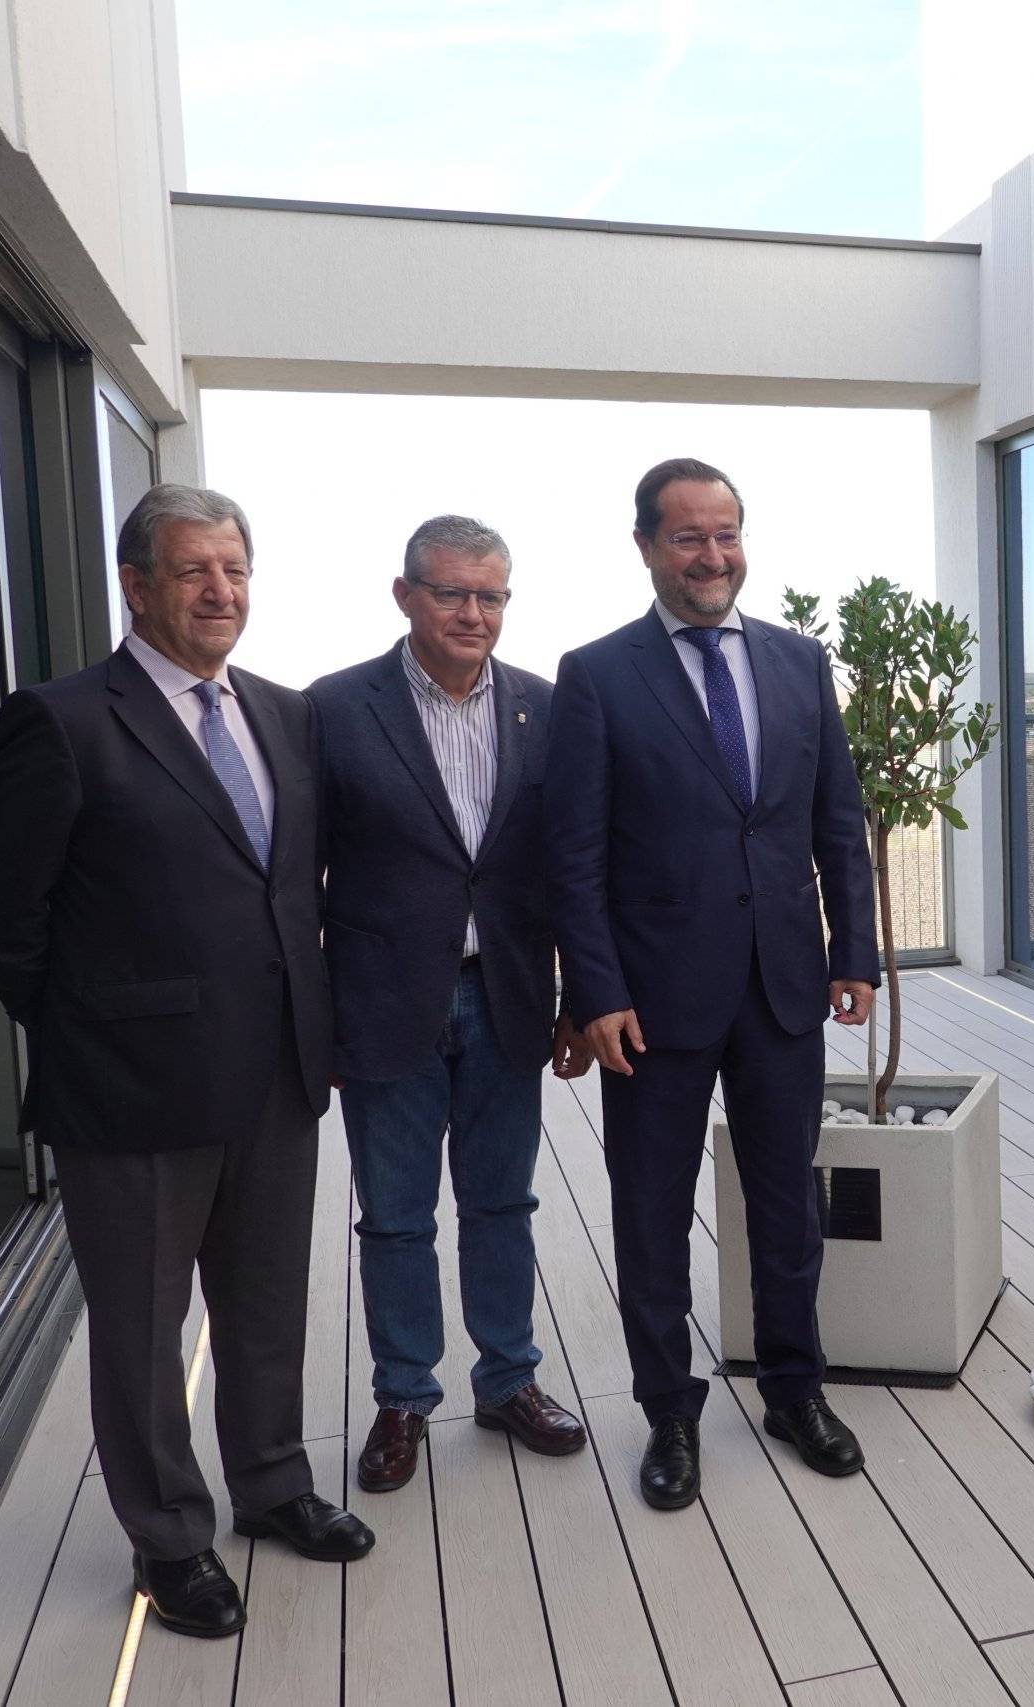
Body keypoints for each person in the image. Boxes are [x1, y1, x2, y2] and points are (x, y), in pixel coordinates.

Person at [0, 484, 372, 1641]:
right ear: (135, 586)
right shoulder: (64, 719)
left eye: (234, 569)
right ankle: (171, 1539)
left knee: (267, 1307)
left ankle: (274, 1484)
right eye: (192, 570)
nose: (219, 591)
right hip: (129, 1094)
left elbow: (288, 888)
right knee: (142, 1335)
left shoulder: (285, 717)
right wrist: (89, 1028)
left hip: (278, 1076)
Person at [544, 457, 879, 1510]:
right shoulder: (596, 674)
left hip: (782, 987)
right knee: (650, 1215)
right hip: (649, 1003)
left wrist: (855, 953)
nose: (711, 555)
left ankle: (793, 1391)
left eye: (725, 533)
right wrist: (594, 990)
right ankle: (669, 1415)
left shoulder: (797, 662)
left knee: (789, 1207)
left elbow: (838, 823)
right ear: (645, 546)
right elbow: (575, 855)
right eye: (687, 536)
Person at [308, 515, 590, 1495]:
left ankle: (508, 1382)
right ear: (404, 597)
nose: (474, 614)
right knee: (393, 1220)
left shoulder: (546, 710)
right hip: (385, 1009)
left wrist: (578, 999)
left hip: (508, 998)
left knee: (502, 1205)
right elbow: (298, 882)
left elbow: (571, 869)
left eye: (491, 596)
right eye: (452, 593)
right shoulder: (335, 711)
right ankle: (402, 1399)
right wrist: (318, 1020)